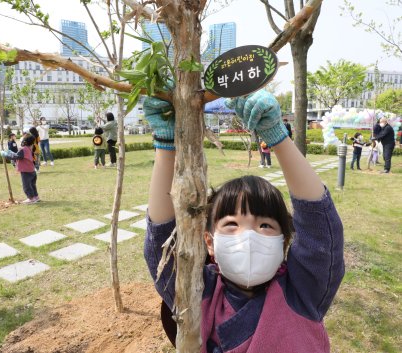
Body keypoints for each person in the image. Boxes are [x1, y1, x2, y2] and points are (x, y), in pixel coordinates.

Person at [143, 90, 344, 352]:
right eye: (231, 225)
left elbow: (320, 232)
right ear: (210, 242)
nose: (248, 237)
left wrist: (277, 137)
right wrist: (166, 143)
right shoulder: (196, 292)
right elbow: (162, 242)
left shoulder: (303, 291)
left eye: (265, 226)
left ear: (285, 241)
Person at [1, 133, 40, 204]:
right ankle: (36, 197)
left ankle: (31, 198)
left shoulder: (23, 149)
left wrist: (6, 155)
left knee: (26, 186)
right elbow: (19, 155)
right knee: (32, 185)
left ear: (24, 141)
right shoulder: (28, 148)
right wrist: (12, 152)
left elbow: (16, 157)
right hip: (32, 170)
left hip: (26, 171)